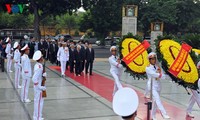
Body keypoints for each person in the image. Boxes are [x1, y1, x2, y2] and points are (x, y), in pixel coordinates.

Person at [146, 52, 170, 120]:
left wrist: (167, 76)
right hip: (152, 85)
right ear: (149, 60)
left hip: (158, 85)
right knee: (158, 100)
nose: (154, 60)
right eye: (152, 59)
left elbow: (161, 76)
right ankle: (164, 114)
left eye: (154, 59)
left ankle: (153, 115)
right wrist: (162, 75)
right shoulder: (148, 68)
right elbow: (154, 74)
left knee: (156, 102)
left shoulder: (157, 67)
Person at [32, 50, 47, 120]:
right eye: (42, 57)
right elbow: (34, 79)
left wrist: (43, 75)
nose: (42, 58)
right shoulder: (39, 67)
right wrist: (40, 87)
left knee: (37, 101)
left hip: (37, 87)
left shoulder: (37, 65)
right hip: (38, 88)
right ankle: (37, 117)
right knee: (39, 102)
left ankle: (36, 116)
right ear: (40, 58)